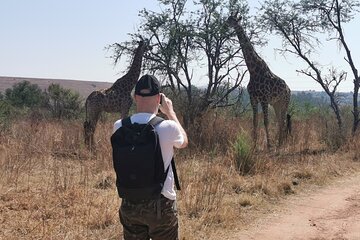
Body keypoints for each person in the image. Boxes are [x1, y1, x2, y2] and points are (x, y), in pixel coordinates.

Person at [113, 74, 188, 240]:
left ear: (135, 97)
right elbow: (184, 142)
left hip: (129, 202)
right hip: (161, 205)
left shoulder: (119, 126)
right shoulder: (168, 127)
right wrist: (171, 112)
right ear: (159, 98)